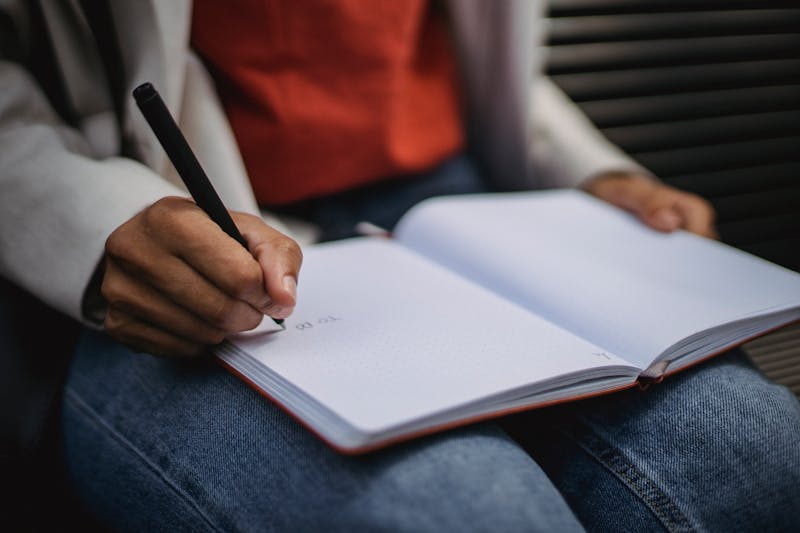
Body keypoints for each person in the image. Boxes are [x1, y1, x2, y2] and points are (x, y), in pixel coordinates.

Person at [0, 1, 797, 530]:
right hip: (185, 220)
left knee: (763, 461)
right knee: (465, 513)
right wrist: (91, 219)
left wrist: (586, 173)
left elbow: (478, 51)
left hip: (457, 200)